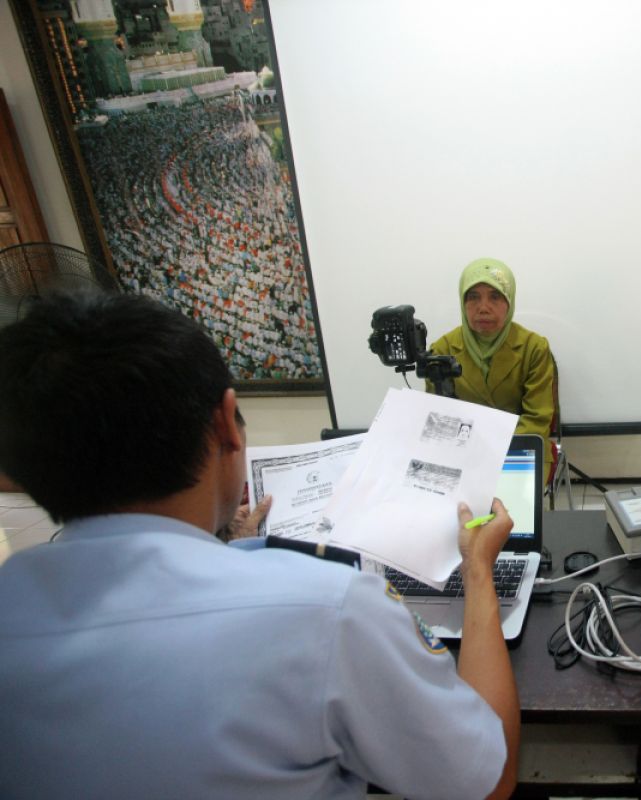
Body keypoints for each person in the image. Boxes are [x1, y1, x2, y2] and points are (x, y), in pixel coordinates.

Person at [0, 291, 520, 799]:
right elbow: (483, 781)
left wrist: (230, 548)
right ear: (226, 423)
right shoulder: (332, 611)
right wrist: (477, 570)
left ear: (15, 472)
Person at [429, 257, 555, 483]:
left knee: (514, 510)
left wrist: (493, 460)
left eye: (495, 297)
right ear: (463, 302)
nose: (483, 308)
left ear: (509, 302)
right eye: (473, 297)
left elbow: (536, 420)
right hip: (462, 455)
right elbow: (440, 420)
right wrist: (474, 458)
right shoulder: (442, 349)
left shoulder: (534, 348)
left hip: (520, 452)